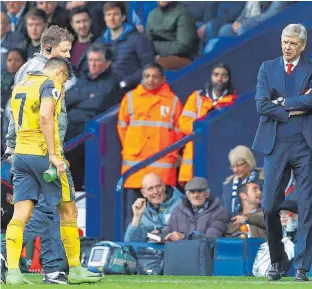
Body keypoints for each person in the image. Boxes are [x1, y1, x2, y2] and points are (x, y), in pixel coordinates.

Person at [6, 57, 103, 285]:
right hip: (43, 155)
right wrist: (53, 154)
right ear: (59, 72)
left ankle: (12, 272)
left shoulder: (21, 84)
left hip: (21, 155)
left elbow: (13, 119)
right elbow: (45, 116)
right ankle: (76, 269)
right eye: (65, 80)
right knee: (69, 210)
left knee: (20, 214)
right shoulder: (49, 85)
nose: (64, 86)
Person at [252, 23, 312, 282]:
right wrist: (292, 105)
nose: (287, 47)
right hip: (275, 145)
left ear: (303, 46)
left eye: (293, 43)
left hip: (306, 145)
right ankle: (278, 260)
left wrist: (281, 102)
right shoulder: (266, 67)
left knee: (308, 207)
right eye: (284, 41)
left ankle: (302, 268)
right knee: (268, 206)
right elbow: (262, 105)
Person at [2, 25, 74, 285]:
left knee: (29, 211)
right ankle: (54, 269)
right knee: (55, 207)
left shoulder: (25, 73)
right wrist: (54, 153)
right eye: (64, 51)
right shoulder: (45, 74)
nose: (68, 56)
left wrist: (11, 145)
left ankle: (10, 258)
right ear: (48, 48)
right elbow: (43, 116)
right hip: (42, 150)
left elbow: (14, 111)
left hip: (24, 150)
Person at [117, 62, 182, 229]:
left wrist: (173, 156)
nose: (150, 80)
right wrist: (132, 148)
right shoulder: (130, 98)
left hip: (162, 170)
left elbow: (178, 133)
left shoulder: (173, 101)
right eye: (147, 76)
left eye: (155, 76)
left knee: (164, 219)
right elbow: (122, 128)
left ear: (162, 78)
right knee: (133, 216)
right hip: (135, 168)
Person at [65, 43, 121, 190]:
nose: (93, 64)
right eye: (90, 60)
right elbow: (65, 99)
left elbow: (98, 103)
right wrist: (85, 98)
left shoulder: (112, 82)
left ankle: (79, 186)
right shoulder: (83, 79)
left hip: (92, 127)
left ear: (108, 63)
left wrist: (80, 99)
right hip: (70, 125)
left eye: (97, 60)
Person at [179, 62, 238, 184]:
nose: (220, 79)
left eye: (224, 75)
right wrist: (204, 128)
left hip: (219, 160)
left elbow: (234, 129)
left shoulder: (234, 100)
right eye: (216, 75)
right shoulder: (196, 97)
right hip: (194, 161)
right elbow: (183, 123)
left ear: (229, 78)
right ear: (211, 76)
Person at [162, 177, 229, 241]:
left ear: (207, 193)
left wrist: (184, 237)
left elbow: (211, 238)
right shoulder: (177, 210)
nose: (196, 195)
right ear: (188, 196)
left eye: (199, 191)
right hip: (179, 251)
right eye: (192, 192)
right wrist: (158, 235)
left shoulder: (220, 212)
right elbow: (166, 232)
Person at [124, 173, 182, 242]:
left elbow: (194, 234)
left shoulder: (182, 204)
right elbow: (130, 242)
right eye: (150, 188)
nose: (155, 191)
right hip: (152, 252)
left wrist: (180, 236)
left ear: (164, 186)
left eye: (158, 186)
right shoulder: (143, 211)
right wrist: (137, 217)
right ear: (143, 193)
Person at [146, 1, 198, 70]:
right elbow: (146, 40)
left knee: (154, 66)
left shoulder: (184, 14)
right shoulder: (152, 14)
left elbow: (183, 47)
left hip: (181, 58)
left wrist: (153, 48)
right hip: (154, 55)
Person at [222, 145, 264, 217]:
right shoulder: (228, 184)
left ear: (249, 162)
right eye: (233, 166)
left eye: (239, 165)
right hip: (233, 226)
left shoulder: (262, 180)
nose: (235, 170)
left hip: (257, 224)